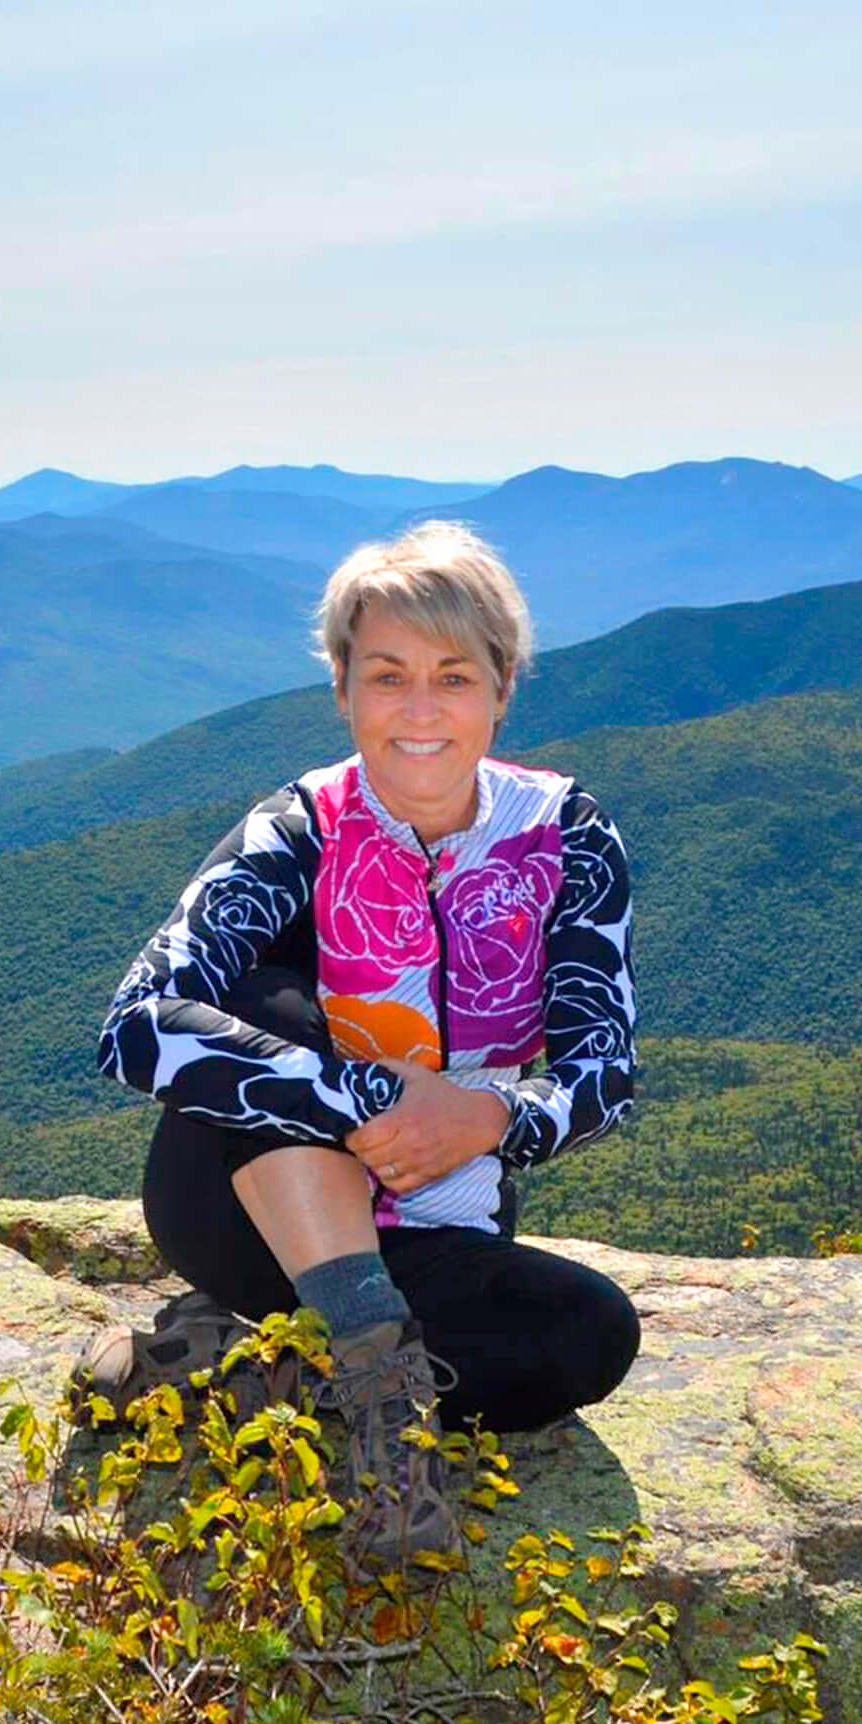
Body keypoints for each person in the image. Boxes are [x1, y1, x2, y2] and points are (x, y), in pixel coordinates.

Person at [86, 519, 642, 1572]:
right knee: (267, 1003)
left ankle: (243, 1361)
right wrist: (371, 1101)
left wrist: (488, 1116)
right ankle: (381, 1389)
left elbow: (603, 1067)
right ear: (344, 687)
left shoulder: (568, 835)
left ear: (502, 688)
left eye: (454, 675)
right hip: (243, 1204)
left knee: (590, 1337)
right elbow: (137, 1021)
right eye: (388, 675)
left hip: (436, 1218)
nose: (421, 709)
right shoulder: (300, 827)